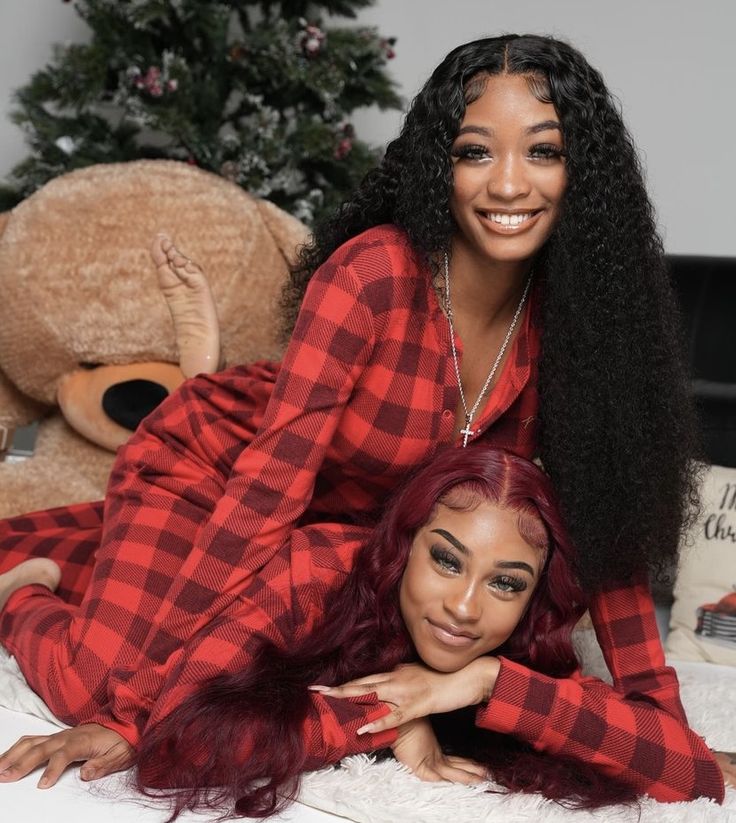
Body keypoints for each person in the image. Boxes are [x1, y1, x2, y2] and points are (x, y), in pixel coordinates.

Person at [0, 31, 729, 799]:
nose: (509, 185)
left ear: (582, 171)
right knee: (96, 690)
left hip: (365, 540)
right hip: (222, 474)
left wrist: (667, 728)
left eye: (541, 152)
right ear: (437, 164)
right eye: (476, 151)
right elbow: (265, 493)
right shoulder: (372, 275)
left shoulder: (579, 321)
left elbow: (604, 515)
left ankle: (101, 553)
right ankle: (28, 586)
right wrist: (130, 710)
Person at [0, 447, 721, 820]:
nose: (466, 607)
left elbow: (694, 774)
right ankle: (27, 589)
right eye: (445, 558)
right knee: (84, 685)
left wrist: (486, 682)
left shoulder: (513, 653)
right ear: (404, 542)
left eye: (505, 582)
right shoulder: (319, 565)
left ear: (534, 598)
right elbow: (177, 744)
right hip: (201, 541)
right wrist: (387, 720)